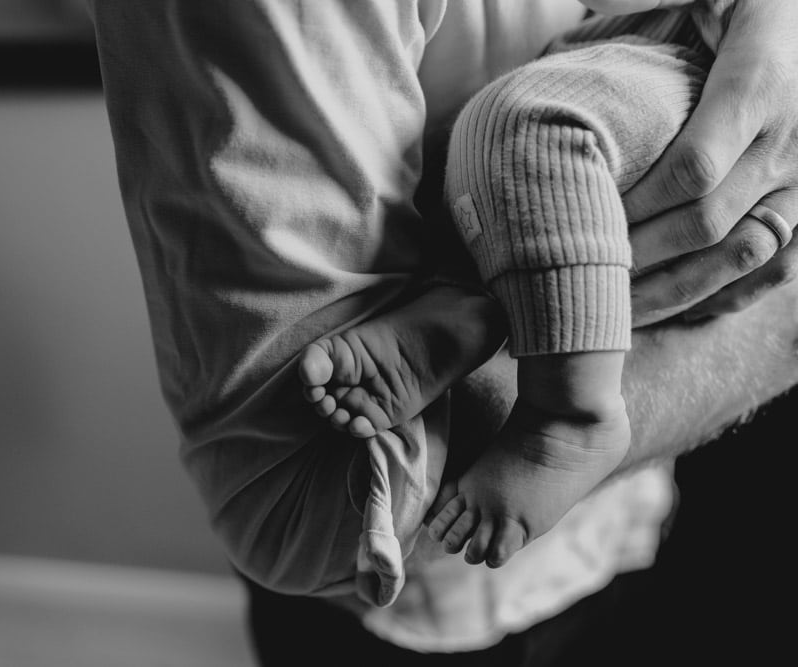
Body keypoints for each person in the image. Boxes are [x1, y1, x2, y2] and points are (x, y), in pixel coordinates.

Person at [87, 0, 798, 664]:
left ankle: (545, 387)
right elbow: (298, 510)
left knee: (521, 145)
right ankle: (540, 373)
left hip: (638, 520)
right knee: (511, 149)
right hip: (427, 614)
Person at [296, 2, 764, 571]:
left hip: (705, 48)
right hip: (660, 44)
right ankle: (468, 305)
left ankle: (571, 415)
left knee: (526, 132)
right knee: (448, 168)